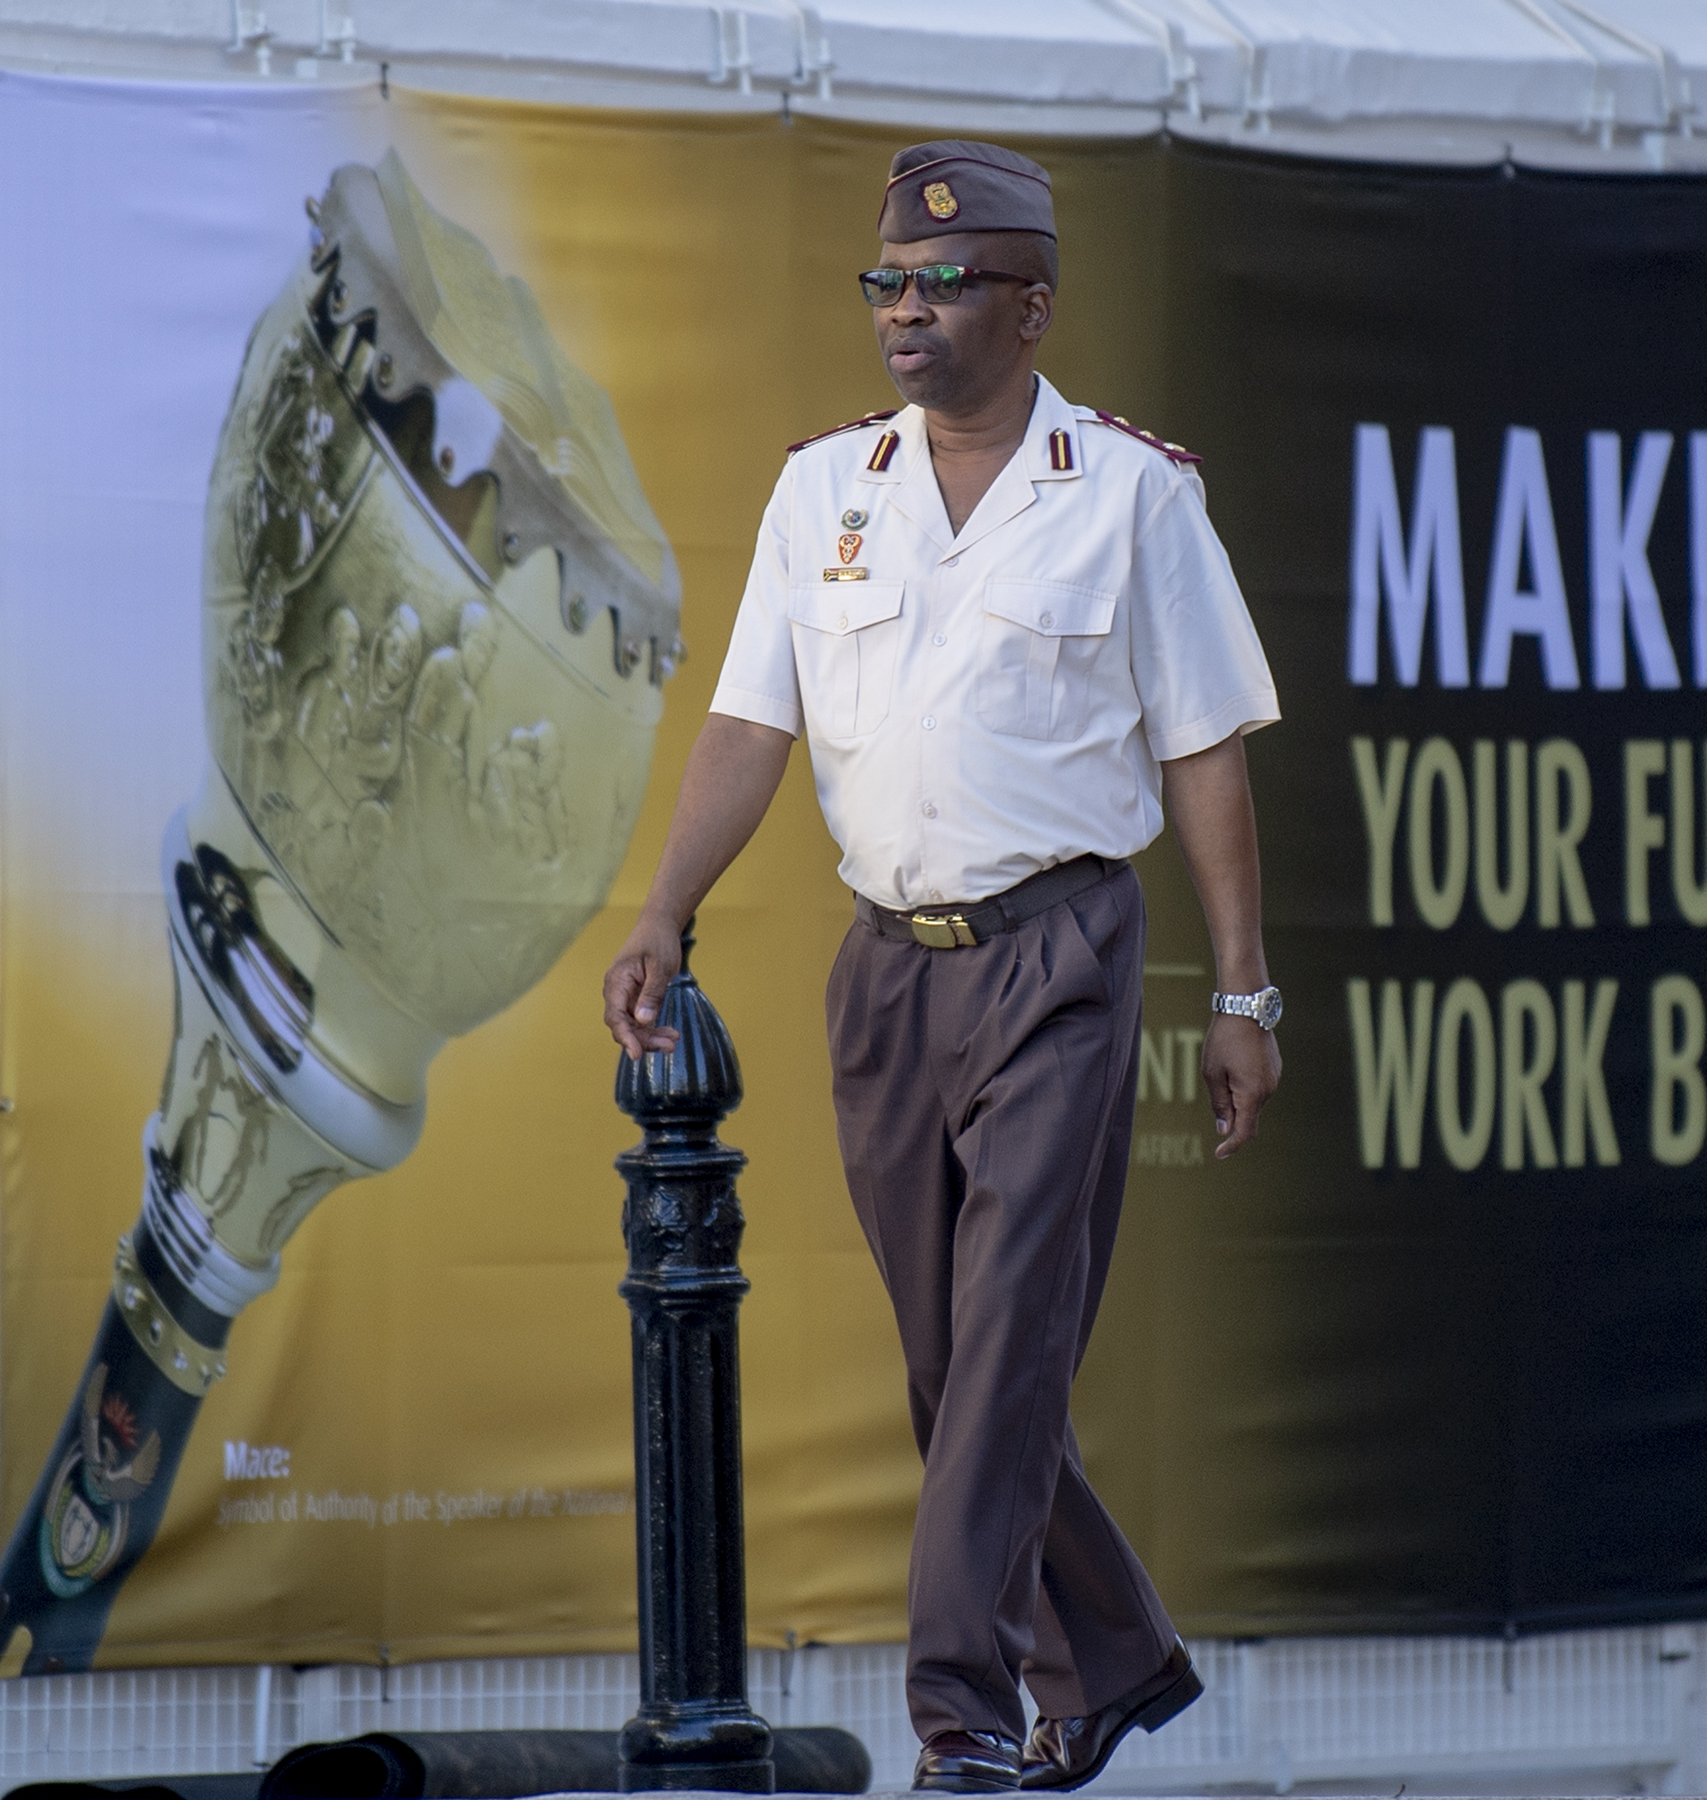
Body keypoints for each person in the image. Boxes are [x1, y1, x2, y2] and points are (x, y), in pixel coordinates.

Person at [601, 140, 1283, 1794]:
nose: (904, 312)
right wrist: (664, 906)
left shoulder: (1131, 495)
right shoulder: (821, 490)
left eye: (941, 283)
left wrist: (1245, 989)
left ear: (1032, 306)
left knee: (1003, 1358)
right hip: (886, 974)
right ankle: (1114, 1661)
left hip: (1058, 952)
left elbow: (1204, 754)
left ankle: (963, 1722)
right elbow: (751, 725)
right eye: (885, 286)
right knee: (953, 1369)